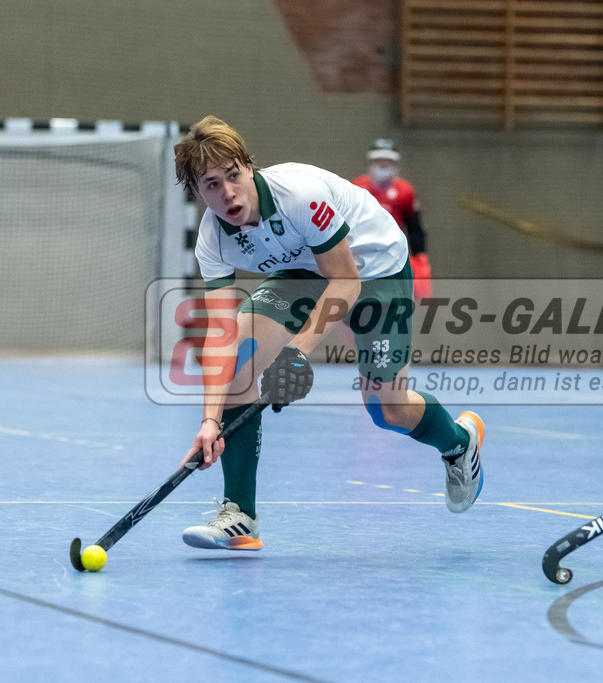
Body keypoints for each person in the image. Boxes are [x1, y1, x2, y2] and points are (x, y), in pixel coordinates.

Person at [172, 116, 484, 551]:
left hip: (374, 269)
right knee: (239, 362)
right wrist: (209, 421)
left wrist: (295, 354)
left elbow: (345, 280)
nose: (227, 193)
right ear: (196, 192)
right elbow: (220, 335)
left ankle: (458, 441)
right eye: (210, 184)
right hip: (302, 270)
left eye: (233, 175)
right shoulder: (213, 238)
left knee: (386, 409)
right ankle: (240, 515)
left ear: (249, 167)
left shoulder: (300, 195)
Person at [352, 139, 432, 300]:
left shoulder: (405, 192)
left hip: (393, 253)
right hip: (363, 253)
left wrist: (420, 257)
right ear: (370, 164)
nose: (383, 167)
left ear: (396, 166)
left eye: (388, 162)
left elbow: (414, 227)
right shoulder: (357, 189)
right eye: (379, 162)